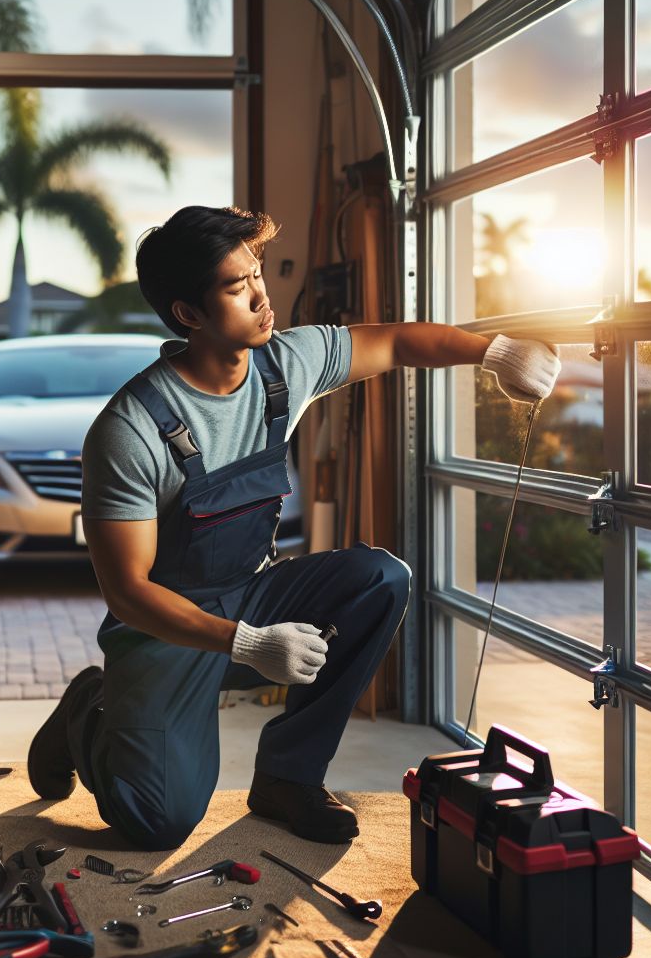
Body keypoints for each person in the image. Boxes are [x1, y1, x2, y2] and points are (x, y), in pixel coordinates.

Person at [27, 205, 560, 850]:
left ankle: (288, 777)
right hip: (162, 629)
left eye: (257, 275)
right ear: (188, 314)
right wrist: (247, 645)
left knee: (379, 579)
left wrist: (495, 352)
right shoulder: (131, 430)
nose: (261, 297)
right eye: (236, 287)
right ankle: (89, 711)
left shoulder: (286, 365)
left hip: (252, 594)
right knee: (157, 822)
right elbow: (128, 592)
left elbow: (394, 342)